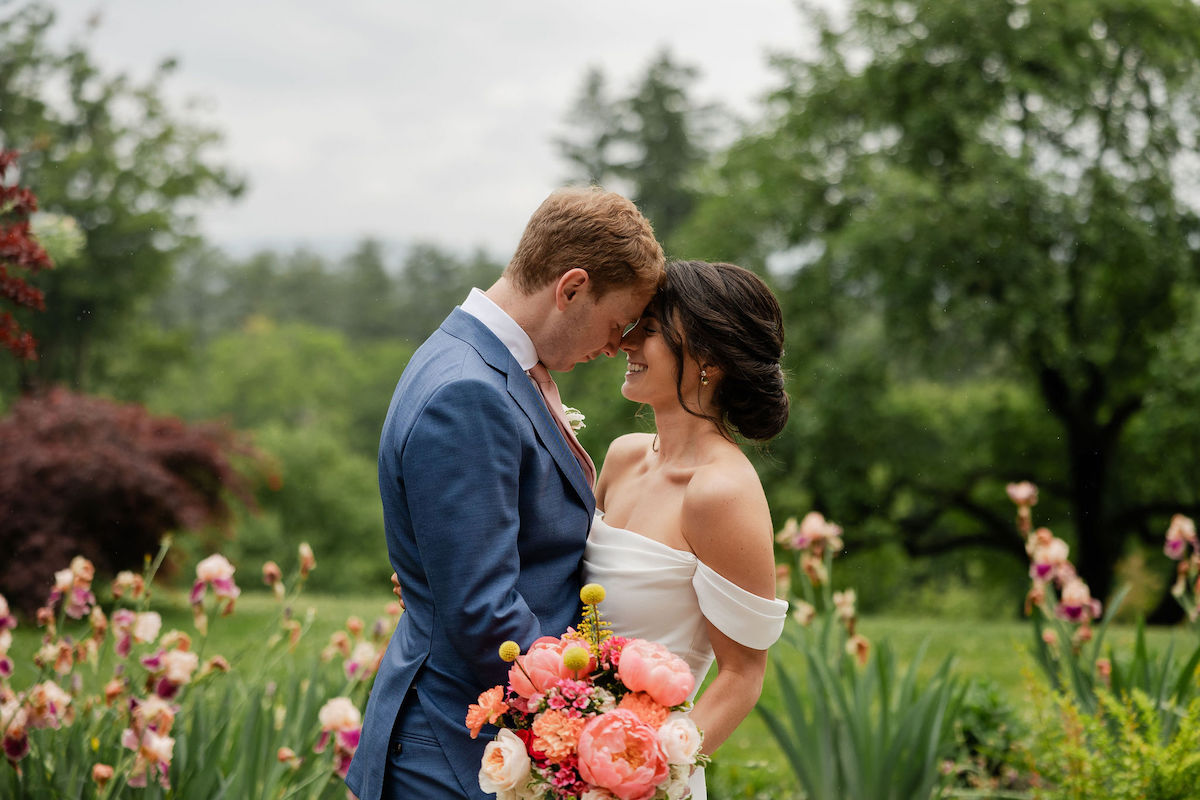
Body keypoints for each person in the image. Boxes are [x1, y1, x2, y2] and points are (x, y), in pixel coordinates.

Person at [345, 186, 665, 800]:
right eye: (613, 323)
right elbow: (481, 612)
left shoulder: (474, 359)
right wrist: (590, 714)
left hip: (470, 732)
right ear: (570, 288)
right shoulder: (469, 394)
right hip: (452, 749)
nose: (612, 347)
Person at [584, 259, 790, 799]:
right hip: (565, 759)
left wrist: (644, 773)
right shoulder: (622, 458)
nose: (626, 342)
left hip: (642, 780)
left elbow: (742, 676)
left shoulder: (719, 493)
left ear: (709, 361)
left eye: (648, 330)